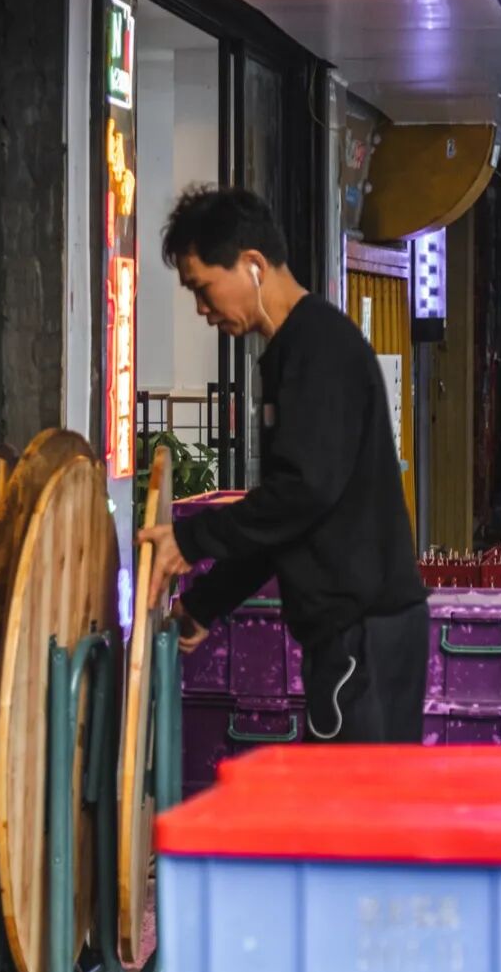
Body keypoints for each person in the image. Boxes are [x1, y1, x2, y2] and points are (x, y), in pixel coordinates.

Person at [139, 185, 428, 744]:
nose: (201, 310)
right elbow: (288, 520)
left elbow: (303, 491)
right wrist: (204, 603)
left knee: (352, 799)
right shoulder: (293, 349)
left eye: (202, 288)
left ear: (252, 264)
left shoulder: (317, 346)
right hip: (355, 633)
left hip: (362, 636)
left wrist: (191, 539)